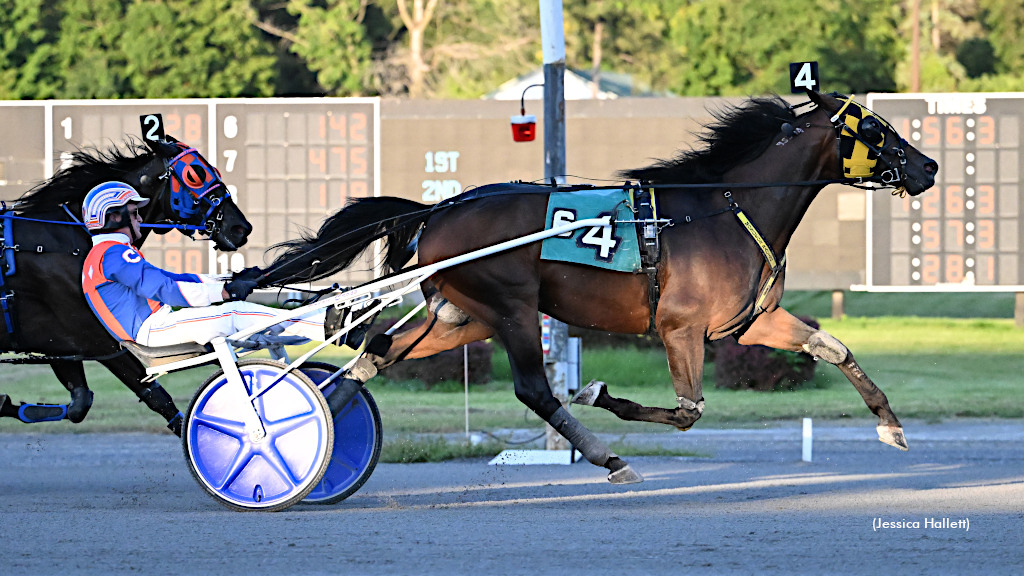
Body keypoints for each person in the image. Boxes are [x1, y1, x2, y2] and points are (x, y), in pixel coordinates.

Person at [80, 181, 347, 348]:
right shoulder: (114, 254)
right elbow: (164, 289)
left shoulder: (103, 255)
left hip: (151, 327)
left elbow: (172, 278)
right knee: (236, 313)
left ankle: (319, 322)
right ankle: (327, 324)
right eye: (134, 213)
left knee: (245, 319)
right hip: (153, 329)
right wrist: (224, 293)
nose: (139, 219)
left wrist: (229, 279)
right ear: (114, 217)